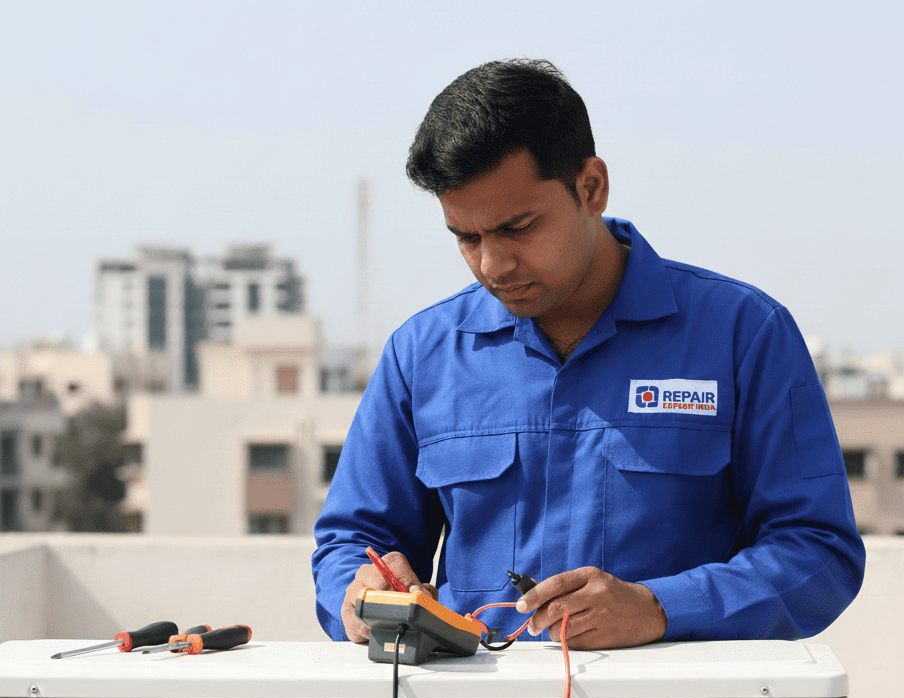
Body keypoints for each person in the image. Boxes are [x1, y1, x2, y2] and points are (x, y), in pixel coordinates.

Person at [312, 59, 864, 650]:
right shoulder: (421, 354)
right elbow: (353, 541)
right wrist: (358, 588)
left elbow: (819, 552)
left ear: (591, 187)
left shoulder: (744, 334)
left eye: (518, 227)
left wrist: (660, 608)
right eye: (467, 238)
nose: (492, 266)